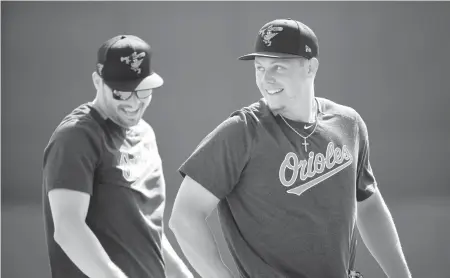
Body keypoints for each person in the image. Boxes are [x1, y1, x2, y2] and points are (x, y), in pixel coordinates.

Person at [169, 19, 412, 278]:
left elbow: (368, 204)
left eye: (278, 66)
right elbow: (184, 216)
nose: (266, 78)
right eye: (260, 67)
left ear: (310, 67)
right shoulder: (241, 131)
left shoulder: (347, 123)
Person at [42, 34, 192, 278]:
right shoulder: (76, 136)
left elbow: (150, 235)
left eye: (143, 91)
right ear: (97, 81)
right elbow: (68, 228)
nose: (134, 102)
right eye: (122, 92)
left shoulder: (145, 134)